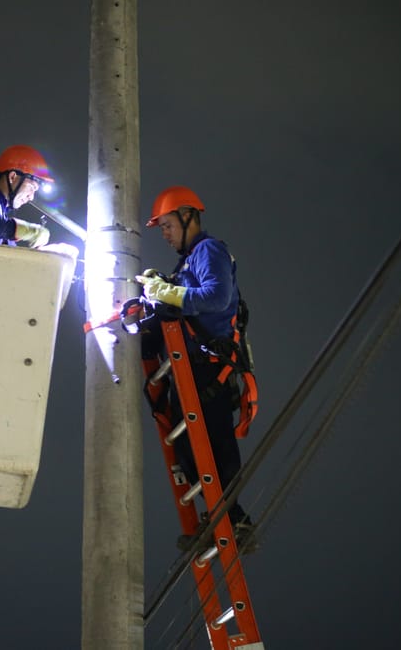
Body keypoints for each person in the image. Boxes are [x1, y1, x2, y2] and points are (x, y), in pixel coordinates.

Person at [135, 185, 257, 552]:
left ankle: (233, 520)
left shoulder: (209, 250)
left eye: (168, 225)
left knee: (215, 448)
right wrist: (164, 289)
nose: (166, 234)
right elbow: (183, 299)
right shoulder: (186, 263)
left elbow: (215, 296)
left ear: (188, 217)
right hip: (189, 368)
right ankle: (220, 517)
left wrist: (166, 293)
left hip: (210, 369)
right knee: (189, 451)